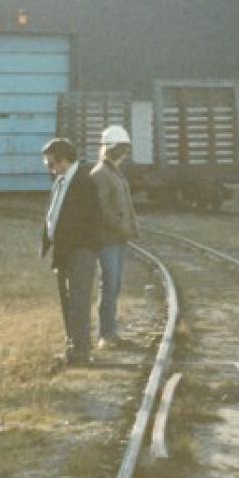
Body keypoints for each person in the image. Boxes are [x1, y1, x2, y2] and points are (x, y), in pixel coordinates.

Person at [41, 138, 100, 367]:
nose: (49, 168)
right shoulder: (63, 180)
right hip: (65, 251)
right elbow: (54, 211)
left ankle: (81, 353)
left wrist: (72, 247)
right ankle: (73, 348)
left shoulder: (84, 182)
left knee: (78, 301)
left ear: (64, 160)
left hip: (79, 252)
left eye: (51, 163)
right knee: (69, 302)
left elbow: (88, 221)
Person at [90, 125, 140, 349]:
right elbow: (101, 209)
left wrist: (129, 228)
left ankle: (111, 332)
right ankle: (105, 335)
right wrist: (122, 226)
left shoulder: (112, 172)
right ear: (112, 149)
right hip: (107, 239)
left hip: (117, 239)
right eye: (122, 149)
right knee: (109, 285)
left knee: (114, 285)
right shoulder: (101, 174)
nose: (125, 154)